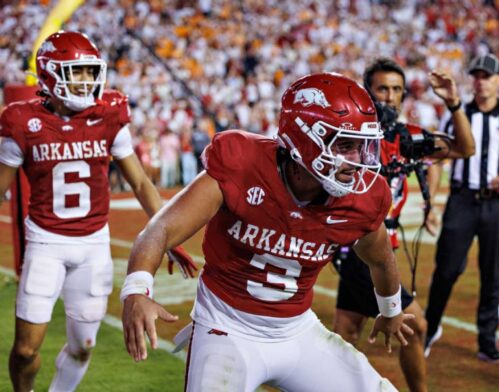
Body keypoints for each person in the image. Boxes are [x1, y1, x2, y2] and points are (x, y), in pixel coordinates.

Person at [121, 72, 415, 392]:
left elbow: (382, 259)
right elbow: (160, 228)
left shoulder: (363, 197)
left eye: (361, 146)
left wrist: (390, 311)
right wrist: (137, 290)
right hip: (226, 329)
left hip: (297, 331)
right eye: (344, 145)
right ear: (304, 138)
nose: (356, 161)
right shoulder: (243, 164)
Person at [0, 31, 196, 392]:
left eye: (91, 72)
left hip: (93, 246)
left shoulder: (109, 115)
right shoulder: (21, 121)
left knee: (83, 347)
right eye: (77, 72)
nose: (87, 81)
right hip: (46, 242)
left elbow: (139, 183)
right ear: (49, 74)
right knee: (26, 350)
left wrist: (170, 236)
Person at [330, 57, 475, 392]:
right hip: (355, 248)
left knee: (346, 330)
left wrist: (453, 103)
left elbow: (465, 148)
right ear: (367, 93)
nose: (390, 96)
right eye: (382, 88)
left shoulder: (406, 138)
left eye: (397, 89)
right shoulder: (350, 137)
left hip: (383, 247)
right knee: (416, 325)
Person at [424, 53, 499, 363]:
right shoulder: (456, 114)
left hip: (497, 205)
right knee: (446, 269)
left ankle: (487, 341)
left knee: (492, 274)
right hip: (462, 201)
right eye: (476, 75)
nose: (480, 81)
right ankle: (429, 328)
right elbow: (438, 158)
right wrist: (430, 201)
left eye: (487, 76)